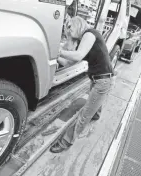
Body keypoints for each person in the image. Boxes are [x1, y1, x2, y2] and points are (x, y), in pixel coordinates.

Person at [50, 16, 115, 153]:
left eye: (70, 27)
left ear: (78, 24)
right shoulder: (83, 41)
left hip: (103, 80)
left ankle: (66, 142)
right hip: (98, 79)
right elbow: (68, 63)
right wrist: (54, 56)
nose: (68, 30)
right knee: (94, 105)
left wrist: (59, 51)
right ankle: (96, 114)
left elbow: (78, 55)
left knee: (85, 114)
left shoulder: (90, 34)